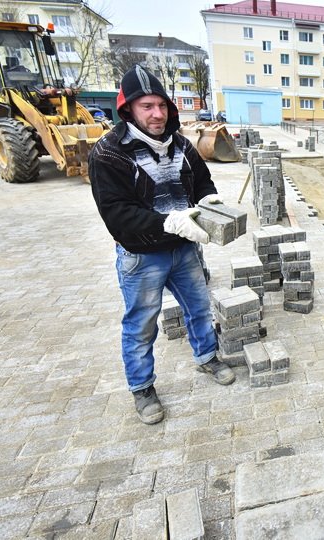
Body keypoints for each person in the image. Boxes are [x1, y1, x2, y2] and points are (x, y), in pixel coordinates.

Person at [89, 65, 236, 425]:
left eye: (161, 105)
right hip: (141, 257)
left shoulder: (181, 145)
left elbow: (201, 180)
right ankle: (142, 387)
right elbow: (117, 215)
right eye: (146, 107)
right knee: (141, 325)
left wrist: (209, 199)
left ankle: (207, 358)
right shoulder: (109, 154)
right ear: (128, 110)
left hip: (183, 249)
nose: (157, 114)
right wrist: (167, 221)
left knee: (199, 308)